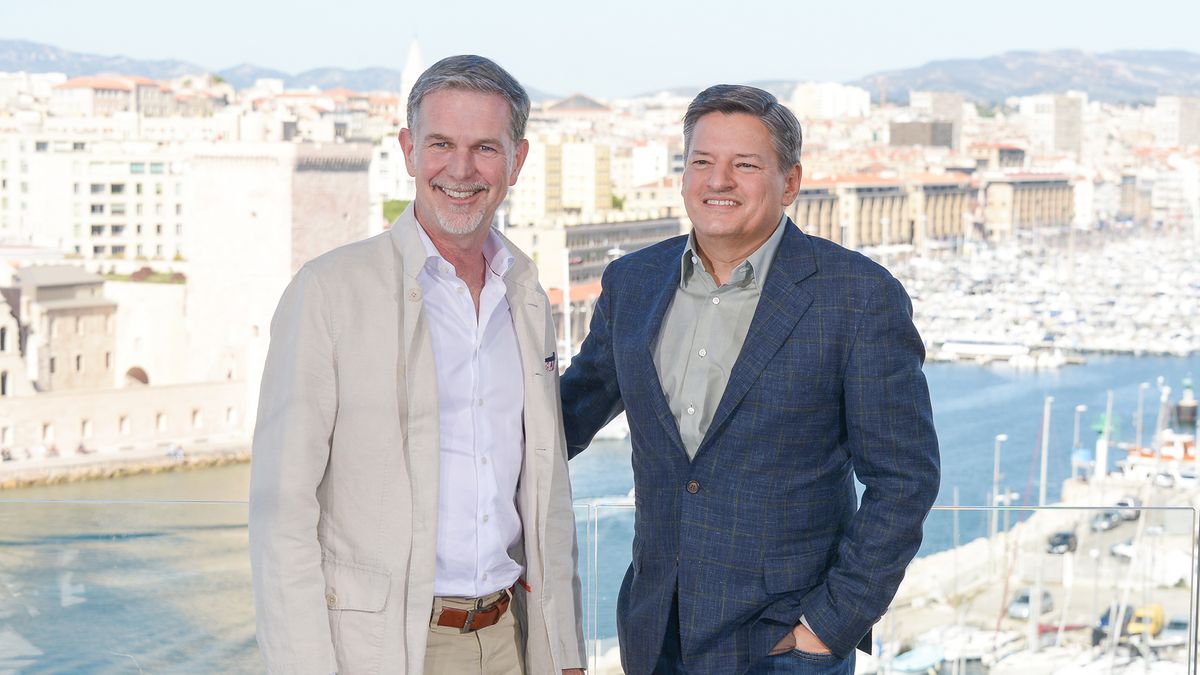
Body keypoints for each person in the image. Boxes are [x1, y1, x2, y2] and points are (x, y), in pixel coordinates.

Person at [561, 84, 940, 674]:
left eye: (745, 165)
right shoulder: (631, 283)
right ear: (682, 174)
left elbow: (905, 481)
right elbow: (564, 419)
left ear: (790, 183)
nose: (719, 181)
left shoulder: (858, 297)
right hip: (654, 634)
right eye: (702, 162)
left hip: (786, 645)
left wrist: (829, 626)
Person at [250, 55, 586, 675]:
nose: (461, 170)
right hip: (386, 650)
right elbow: (281, 512)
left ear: (518, 160)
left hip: (513, 638)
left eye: (486, 147)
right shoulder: (327, 292)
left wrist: (563, 649)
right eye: (440, 144)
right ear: (408, 151)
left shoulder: (527, 294)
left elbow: (546, 492)